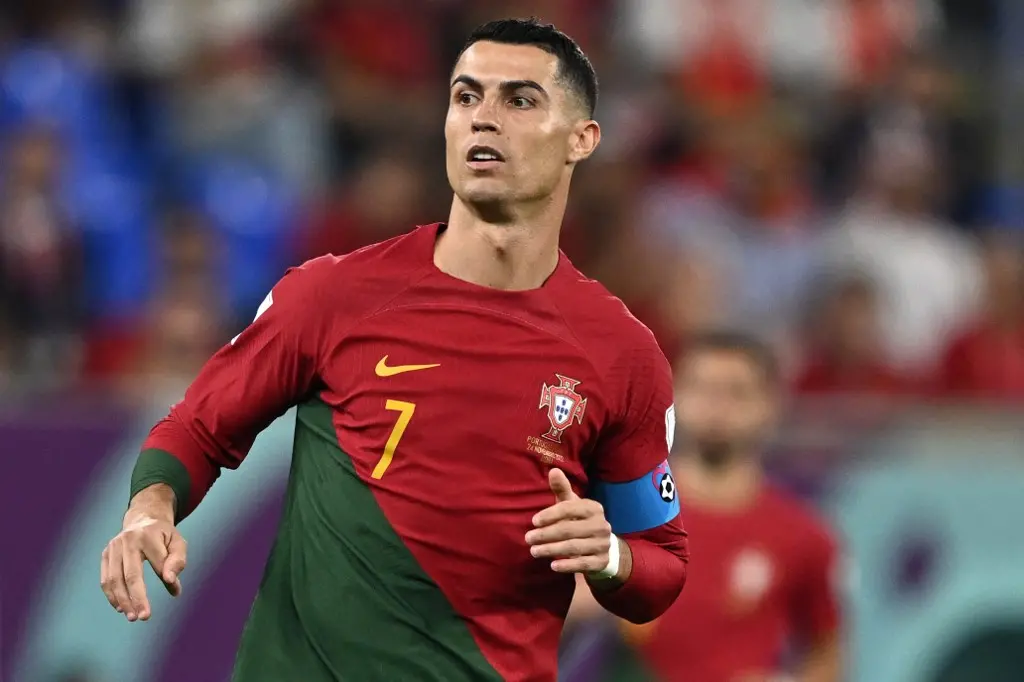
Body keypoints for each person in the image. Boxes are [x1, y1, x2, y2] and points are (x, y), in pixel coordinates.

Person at [98, 18, 689, 682]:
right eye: (466, 96)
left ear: (582, 138)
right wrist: (149, 507)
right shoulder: (332, 293)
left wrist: (608, 555)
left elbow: (662, 564)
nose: (483, 118)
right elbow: (198, 428)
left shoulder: (622, 354)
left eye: (520, 100)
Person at [568, 331, 842, 682]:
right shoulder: (612, 511)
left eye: (736, 392)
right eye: (703, 389)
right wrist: (573, 606)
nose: (717, 407)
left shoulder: (802, 534)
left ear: (769, 405)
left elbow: (826, 649)